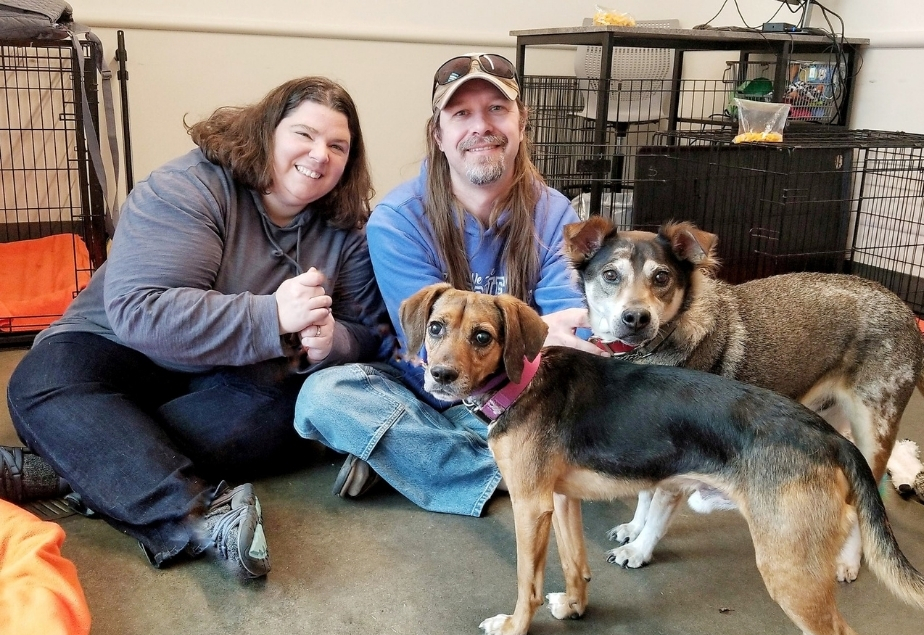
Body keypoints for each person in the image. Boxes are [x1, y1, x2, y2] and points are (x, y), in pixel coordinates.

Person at [3, 76, 390, 579]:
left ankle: (77, 462)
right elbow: (143, 312)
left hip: (228, 379)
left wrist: (334, 341)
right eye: (304, 134)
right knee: (42, 382)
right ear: (266, 133)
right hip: (114, 348)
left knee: (293, 407)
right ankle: (202, 518)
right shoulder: (186, 188)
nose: (320, 155)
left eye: (338, 146)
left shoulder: (348, 229)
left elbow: (370, 331)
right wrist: (272, 316)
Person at [294, 53, 604, 517]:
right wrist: (536, 335)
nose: (481, 126)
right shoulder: (397, 219)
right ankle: (519, 471)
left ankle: (400, 454)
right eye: (461, 113)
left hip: (518, 393)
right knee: (325, 395)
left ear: (522, 124)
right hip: (422, 385)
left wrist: (555, 342)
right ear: (438, 135)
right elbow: (427, 348)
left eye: (497, 109)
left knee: (584, 401)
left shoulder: (556, 213)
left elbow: (568, 332)